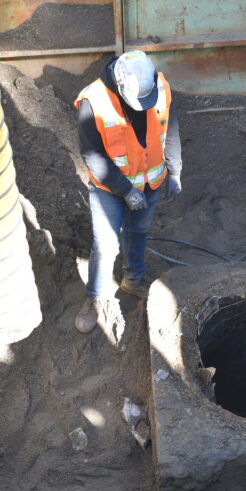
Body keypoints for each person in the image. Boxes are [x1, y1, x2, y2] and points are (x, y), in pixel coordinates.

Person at [73, 50, 182, 334]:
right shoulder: (93, 101)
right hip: (109, 188)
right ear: (121, 86)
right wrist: (125, 190)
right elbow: (92, 155)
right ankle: (95, 298)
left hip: (150, 183)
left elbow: (169, 129)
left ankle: (133, 280)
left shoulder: (159, 87)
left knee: (138, 231)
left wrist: (176, 170)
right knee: (106, 245)